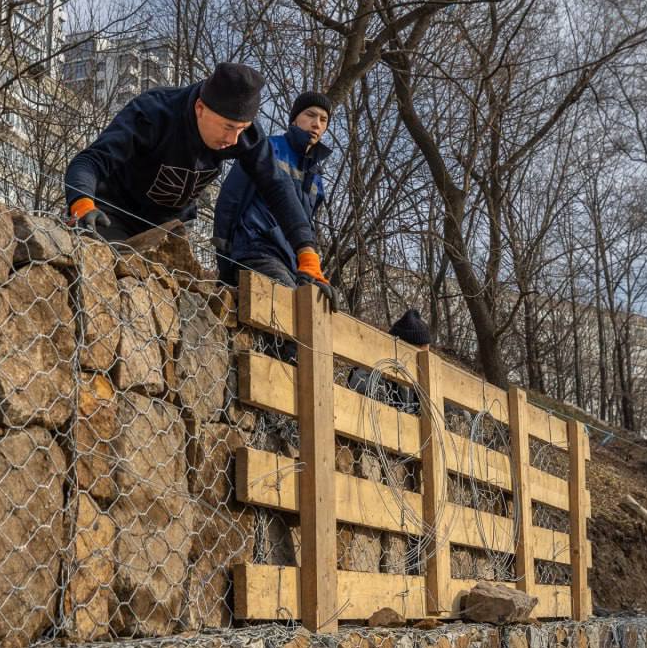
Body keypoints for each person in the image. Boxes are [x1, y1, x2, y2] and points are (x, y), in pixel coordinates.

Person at [63, 62, 329, 289]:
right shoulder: (154, 112)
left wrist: (306, 251)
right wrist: (83, 203)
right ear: (200, 108)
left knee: (173, 305)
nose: (233, 139)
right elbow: (89, 161)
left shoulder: (243, 136)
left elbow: (278, 188)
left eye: (241, 128)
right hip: (116, 214)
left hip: (169, 227)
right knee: (104, 281)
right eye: (227, 127)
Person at [212, 90, 331, 288]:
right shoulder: (266, 149)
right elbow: (230, 198)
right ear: (294, 120)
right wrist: (225, 259)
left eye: (323, 119)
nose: (316, 124)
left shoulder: (315, 175)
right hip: (256, 249)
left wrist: (309, 267)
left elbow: (307, 224)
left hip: (291, 262)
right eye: (310, 115)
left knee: (319, 309)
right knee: (288, 309)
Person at [349, 309, 432, 415]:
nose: (423, 367)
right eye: (421, 358)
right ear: (402, 350)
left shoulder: (417, 388)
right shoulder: (369, 374)